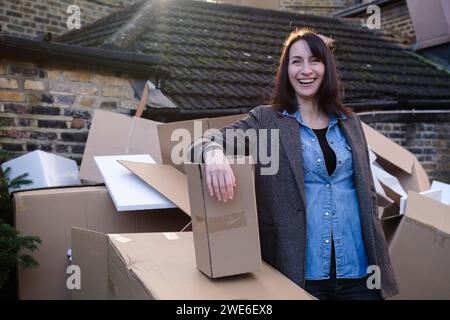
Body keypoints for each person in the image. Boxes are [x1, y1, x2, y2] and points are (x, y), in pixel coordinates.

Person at [189, 28, 399, 300]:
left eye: (314, 60)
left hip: (360, 273)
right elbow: (199, 142)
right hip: (300, 273)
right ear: (286, 70)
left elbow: (367, 193)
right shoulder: (266, 121)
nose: (305, 70)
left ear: (327, 67)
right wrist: (214, 155)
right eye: (296, 61)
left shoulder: (350, 122)